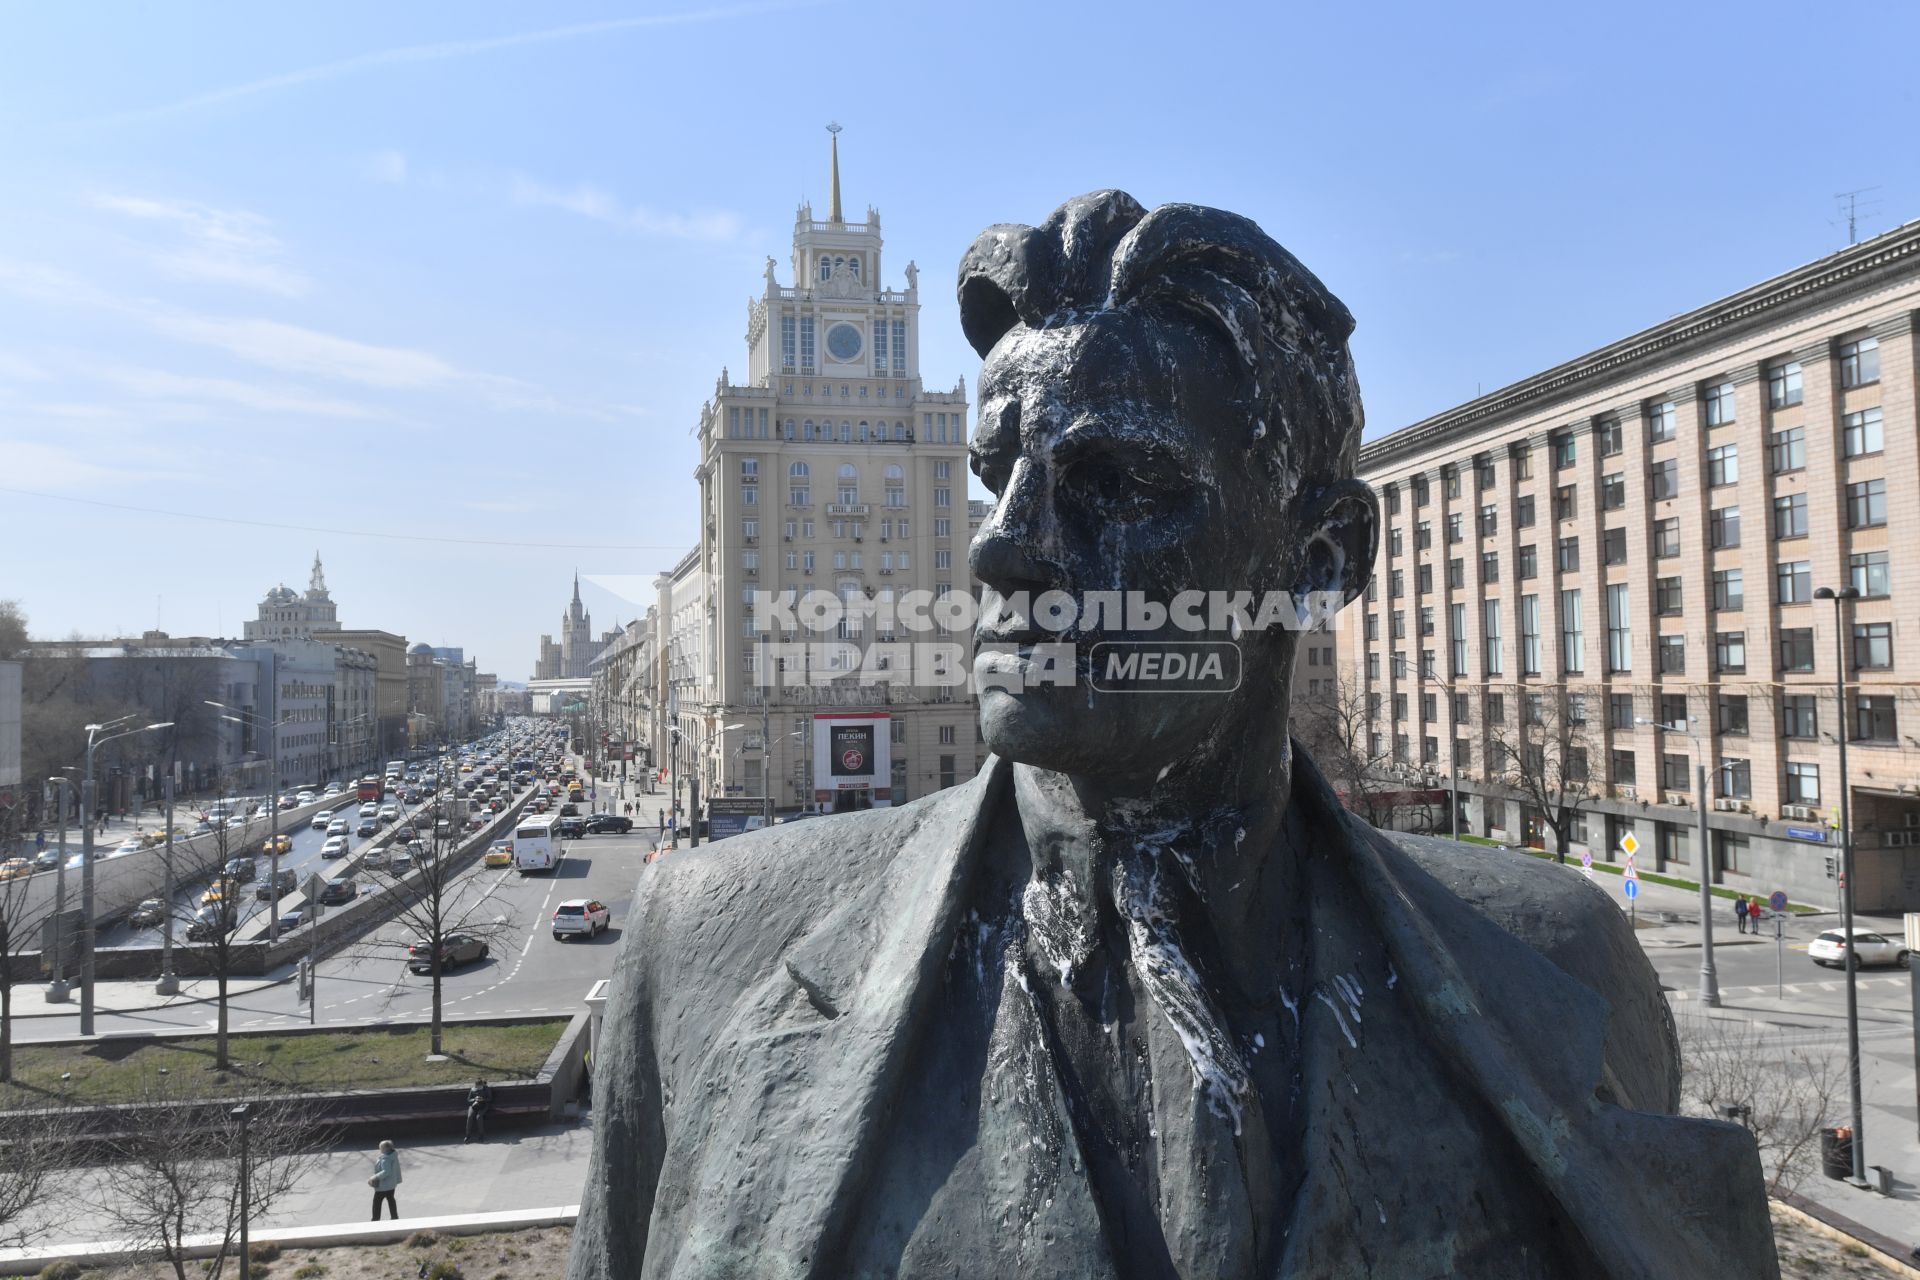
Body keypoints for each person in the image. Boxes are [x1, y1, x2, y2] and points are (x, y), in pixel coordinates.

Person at [566, 191, 1777, 1280]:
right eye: (999, 477)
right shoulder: (703, 960)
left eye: (1124, 484)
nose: (1002, 546)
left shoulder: (1560, 967)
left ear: (1318, 558)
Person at [368, 1139, 401, 1220]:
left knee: (377, 1202)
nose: (380, 1149)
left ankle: (375, 1219)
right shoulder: (393, 1156)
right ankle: (394, 1217)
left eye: (381, 1147)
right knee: (391, 1199)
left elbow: (386, 1172)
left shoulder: (385, 1159)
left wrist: (375, 1177)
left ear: (385, 1148)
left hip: (383, 1185)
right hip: (391, 1184)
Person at [465, 1078, 493, 1143]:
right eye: (476, 1086)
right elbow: (468, 1099)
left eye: (478, 1087)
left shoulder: (486, 1089)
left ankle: (481, 1135)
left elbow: (490, 1098)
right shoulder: (472, 1089)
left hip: (483, 1105)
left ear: (482, 1085)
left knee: (479, 1117)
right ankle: (468, 1135)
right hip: (474, 1105)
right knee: (470, 1117)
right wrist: (474, 1099)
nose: (477, 1088)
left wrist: (483, 1099)